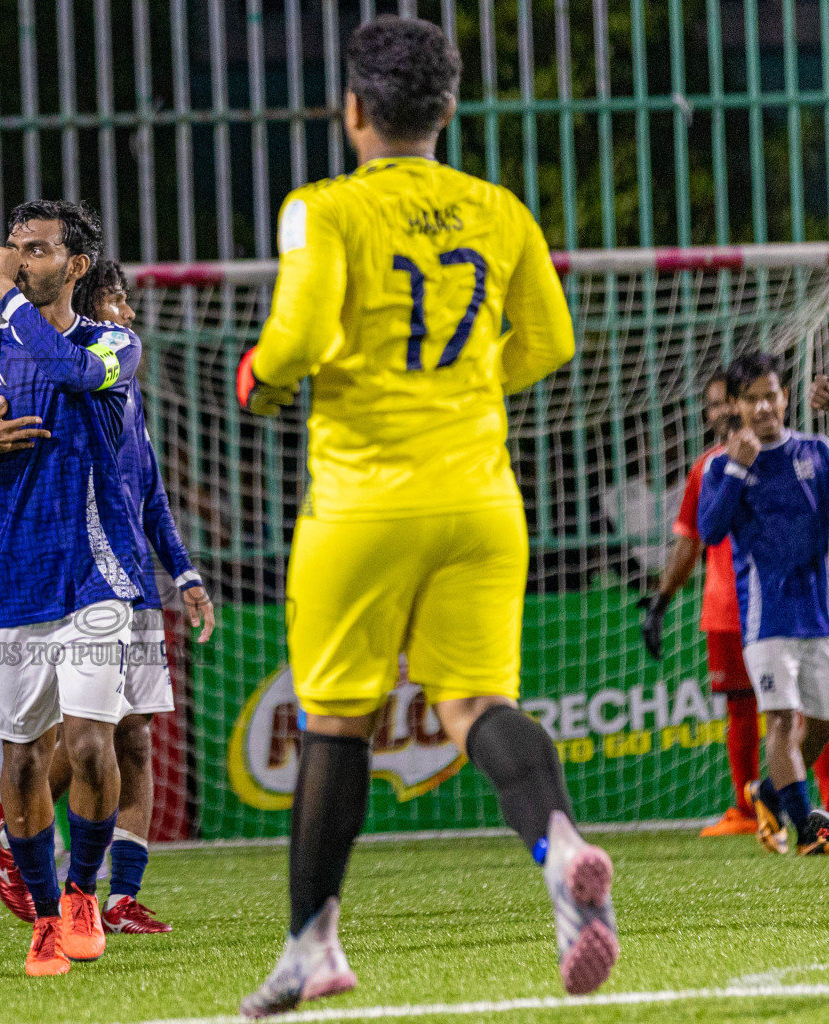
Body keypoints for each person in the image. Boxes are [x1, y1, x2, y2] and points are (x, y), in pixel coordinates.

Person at [234, 17, 615, 1015]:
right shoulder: (499, 208)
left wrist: (261, 379)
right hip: (482, 498)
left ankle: (312, 943)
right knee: (473, 705)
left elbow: (299, 335)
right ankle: (559, 844)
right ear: (447, 109)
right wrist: (465, 386)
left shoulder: (321, 209)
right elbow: (549, 341)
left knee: (334, 720)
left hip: (363, 504)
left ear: (352, 110)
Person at [0, 200, 150, 977]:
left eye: (36, 251)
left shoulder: (113, 344)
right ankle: (46, 919)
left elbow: (70, 370)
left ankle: (82, 895)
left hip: (99, 577)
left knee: (89, 741)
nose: (17, 261)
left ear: (75, 267)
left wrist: (10, 298)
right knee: (19, 765)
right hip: (17, 582)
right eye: (13, 248)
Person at [0, 258, 216, 935]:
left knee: (136, 735)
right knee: (92, 734)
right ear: (87, 306)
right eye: (118, 301)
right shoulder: (46, 377)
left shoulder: (122, 379)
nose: (130, 315)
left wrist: (185, 573)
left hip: (133, 575)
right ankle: (17, 832)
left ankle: (121, 898)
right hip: (72, 580)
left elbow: (146, 488)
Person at [697, 350, 829, 857]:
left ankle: (768, 794)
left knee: (821, 723)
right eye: (751, 399)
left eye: (770, 395)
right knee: (778, 719)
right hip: (765, 617)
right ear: (736, 406)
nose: (763, 407)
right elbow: (710, 530)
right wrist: (737, 468)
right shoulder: (722, 465)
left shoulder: (816, 451)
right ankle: (808, 830)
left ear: (785, 395)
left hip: (817, 611)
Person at [640, 379, 764, 836]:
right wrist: (661, 601)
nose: (718, 412)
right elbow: (689, 544)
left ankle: (822, 806)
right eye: (710, 406)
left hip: (779, 600)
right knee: (740, 707)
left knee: (807, 705)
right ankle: (747, 809)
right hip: (725, 607)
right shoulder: (704, 469)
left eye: (724, 401)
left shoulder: (780, 455)